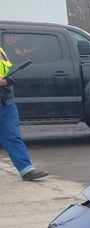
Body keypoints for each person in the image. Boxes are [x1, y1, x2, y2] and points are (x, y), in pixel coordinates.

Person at [0, 46, 47, 181]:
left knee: (12, 137)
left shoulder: (1, 51)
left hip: (5, 102)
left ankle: (26, 170)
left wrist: (6, 81)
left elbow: (10, 73)